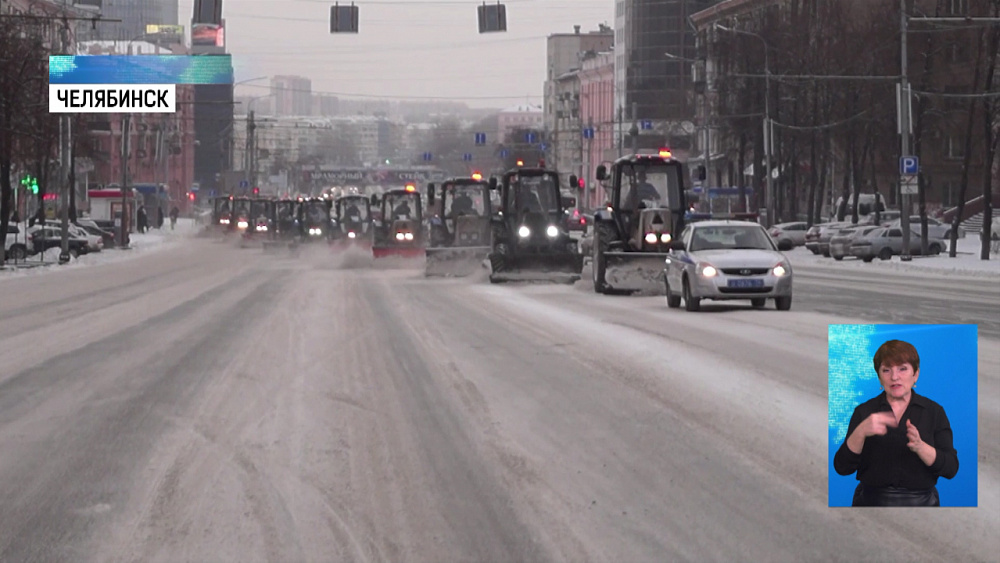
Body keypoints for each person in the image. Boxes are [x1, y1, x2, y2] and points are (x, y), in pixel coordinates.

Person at [833, 339, 958, 506]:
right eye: (886, 370)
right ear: (879, 377)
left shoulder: (934, 411)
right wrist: (860, 432)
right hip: (870, 503)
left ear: (916, 374)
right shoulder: (864, 412)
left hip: (922, 504)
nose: (894, 377)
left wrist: (921, 447)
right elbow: (842, 468)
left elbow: (951, 469)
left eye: (903, 369)